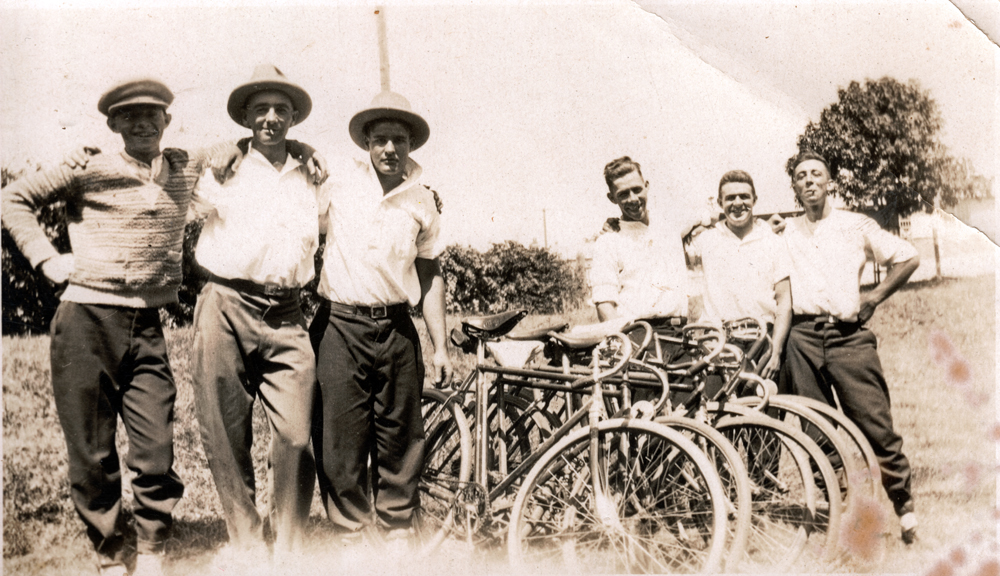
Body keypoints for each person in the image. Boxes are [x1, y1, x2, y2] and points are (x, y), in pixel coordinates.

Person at [1, 79, 192, 576]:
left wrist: (300, 147)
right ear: (113, 125)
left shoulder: (183, 168)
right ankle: (110, 551)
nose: (143, 123)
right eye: (130, 116)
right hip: (85, 320)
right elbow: (13, 198)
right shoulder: (87, 168)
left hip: (146, 323)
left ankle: (151, 547)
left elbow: (239, 148)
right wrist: (45, 258)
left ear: (167, 122)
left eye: (152, 114)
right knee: (91, 448)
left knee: (156, 444)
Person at [189, 64, 322, 563]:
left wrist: (312, 154)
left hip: (287, 313)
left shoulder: (312, 175)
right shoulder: (224, 167)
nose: (271, 118)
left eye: (281, 110)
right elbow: (172, 168)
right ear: (246, 116)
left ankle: (287, 545)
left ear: (293, 119)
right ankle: (245, 541)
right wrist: (219, 149)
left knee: (295, 433)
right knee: (225, 429)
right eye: (261, 109)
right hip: (224, 302)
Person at [310, 90, 452, 548]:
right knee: (340, 437)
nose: (390, 149)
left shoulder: (422, 201)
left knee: (401, 433)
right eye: (380, 140)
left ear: (411, 144)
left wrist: (441, 345)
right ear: (366, 143)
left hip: (396, 329)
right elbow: (295, 222)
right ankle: (350, 532)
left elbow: (429, 274)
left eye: (399, 140)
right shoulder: (337, 187)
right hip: (340, 325)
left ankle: (396, 528)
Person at [778, 150, 921, 544]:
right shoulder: (786, 231)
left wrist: (873, 298)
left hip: (848, 337)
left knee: (875, 424)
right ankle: (842, 513)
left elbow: (908, 257)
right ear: (794, 187)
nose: (809, 181)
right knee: (815, 429)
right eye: (801, 176)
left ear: (829, 183)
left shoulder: (855, 224)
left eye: (816, 174)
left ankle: (905, 511)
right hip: (801, 339)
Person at [686, 169, 792, 381]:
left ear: (754, 199)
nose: (737, 203)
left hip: (762, 343)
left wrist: (777, 351)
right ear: (719, 202)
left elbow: (784, 301)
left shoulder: (773, 242)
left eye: (744, 196)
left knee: (762, 411)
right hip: (717, 345)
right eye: (730, 198)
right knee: (717, 412)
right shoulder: (704, 241)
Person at [590, 156, 690, 324]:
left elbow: (710, 218)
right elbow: (604, 304)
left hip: (681, 333)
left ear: (646, 186)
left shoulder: (671, 228)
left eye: (637, 190)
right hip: (639, 334)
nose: (633, 199)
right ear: (612, 198)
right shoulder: (608, 242)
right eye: (623, 194)